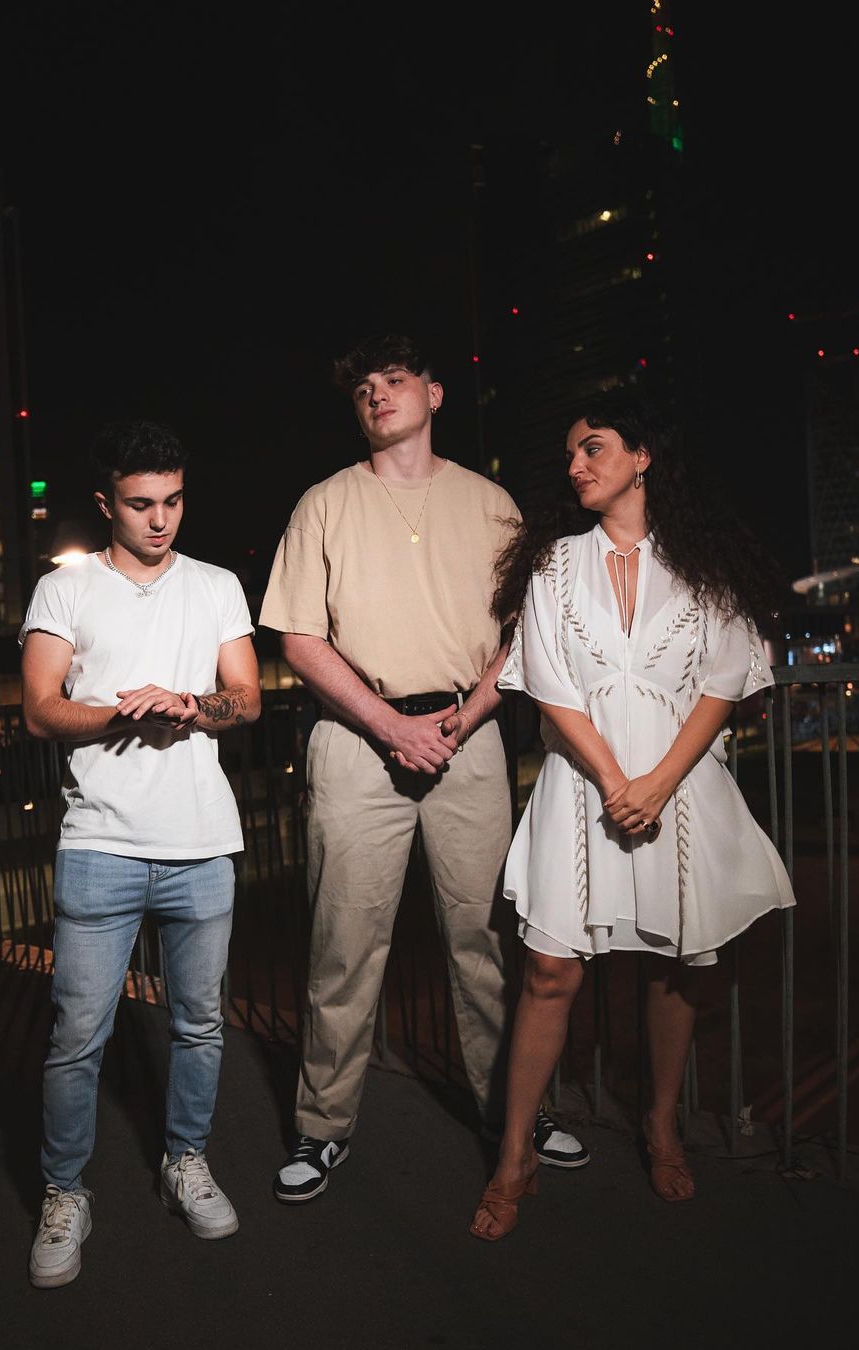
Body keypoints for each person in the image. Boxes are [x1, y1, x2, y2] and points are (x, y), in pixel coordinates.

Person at [259, 333, 589, 1204]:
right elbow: (299, 637)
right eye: (364, 387)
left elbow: (524, 632)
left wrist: (465, 716)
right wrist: (387, 725)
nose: (378, 394)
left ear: (435, 395)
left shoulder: (489, 503)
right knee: (343, 943)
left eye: (395, 380)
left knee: (486, 941)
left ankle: (516, 1114)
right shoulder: (324, 503)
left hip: (466, 735)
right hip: (355, 736)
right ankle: (322, 1127)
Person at [469, 388, 795, 1241]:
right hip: (581, 788)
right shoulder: (553, 564)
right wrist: (618, 778)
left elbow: (724, 681)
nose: (576, 465)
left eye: (594, 447)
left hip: (677, 791)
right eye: (570, 455)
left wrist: (657, 784)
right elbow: (548, 680)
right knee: (549, 972)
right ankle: (513, 1156)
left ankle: (660, 1126)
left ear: (642, 457)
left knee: (674, 965)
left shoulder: (701, 563)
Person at [19, 420, 260, 1287]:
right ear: (106, 503)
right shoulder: (65, 590)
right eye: (141, 504)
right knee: (78, 1035)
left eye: (174, 501)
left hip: (203, 845)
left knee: (200, 1024)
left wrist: (190, 706)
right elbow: (41, 710)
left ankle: (185, 1160)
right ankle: (64, 1192)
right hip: (100, 845)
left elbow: (247, 698)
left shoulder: (217, 585)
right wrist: (122, 715)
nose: (161, 519)